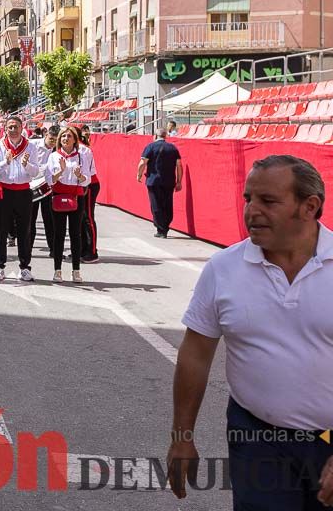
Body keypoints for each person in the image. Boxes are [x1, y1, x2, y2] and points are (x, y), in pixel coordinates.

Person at [168, 155, 333, 508]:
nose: (251, 211)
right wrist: (182, 436)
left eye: (268, 201)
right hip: (257, 435)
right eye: (248, 199)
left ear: (310, 206)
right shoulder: (224, 269)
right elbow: (195, 354)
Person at [0, 114, 43, 282]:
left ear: (22, 127)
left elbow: (35, 172)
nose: (13, 130)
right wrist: (6, 161)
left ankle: (25, 267)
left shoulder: (30, 147)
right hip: (4, 191)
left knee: (24, 231)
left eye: (16, 126)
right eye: (10, 127)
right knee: (1, 230)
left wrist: (26, 164)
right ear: (5, 128)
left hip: (23, 191)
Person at [46, 126, 93, 283]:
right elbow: (49, 179)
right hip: (58, 195)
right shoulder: (54, 156)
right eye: (63, 136)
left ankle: (76, 270)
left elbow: (87, 180)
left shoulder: (81, 156)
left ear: (75, 139)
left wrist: (80, 176)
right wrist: (60, 171)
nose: (65, 138)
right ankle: (57, 270)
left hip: (76, 196)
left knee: (75, 234)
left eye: (69, 136)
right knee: (59, 234)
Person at [138, 129, 183, 238]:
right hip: (169, 181)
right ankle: (165, 227)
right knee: (167, 204)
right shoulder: (173, 148)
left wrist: (138, 175)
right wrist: (179, 181)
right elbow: (179, 166)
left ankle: (161, 228)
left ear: (155, 136)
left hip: (154, 181)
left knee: (156, 204)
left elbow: (143, 162)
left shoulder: (150, 147)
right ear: (165, 136)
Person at [29, 125, 60, 249]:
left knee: (50, 219)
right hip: (32, 185)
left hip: (48, 187)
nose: (53, 142)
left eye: (55, 140)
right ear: (46, 135)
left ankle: (53, 249)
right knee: (31, 218)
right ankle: (28, 248)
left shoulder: (57, 150)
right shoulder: (33, 144)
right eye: (51, 139)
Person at [79, 125, 101, 262]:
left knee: (88, 218)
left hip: (89, 184)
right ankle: (82, 249)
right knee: (80, 218)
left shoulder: (82, 149)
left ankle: (92, 251)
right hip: (80, 185)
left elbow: (87, 171)